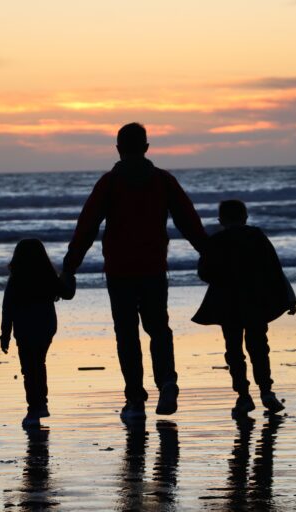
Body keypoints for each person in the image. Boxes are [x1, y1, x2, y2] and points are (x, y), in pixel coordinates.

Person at [63, 122, 207, 421]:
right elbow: (189, 221)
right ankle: (167, 380)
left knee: (126, 334)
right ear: (146, 148)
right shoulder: (163, 181)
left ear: (118, 149)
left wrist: (70, 267)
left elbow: (86, 227)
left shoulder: (109, 183)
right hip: (153, 267)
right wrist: (209, 254)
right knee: (158, 328)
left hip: (119, 270)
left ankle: (135, 399)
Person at [192, 199, 296, 418]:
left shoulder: (217, 240)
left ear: (220, 220)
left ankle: (243, 396)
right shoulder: (257, 236)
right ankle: (266, 392)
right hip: (256, 301)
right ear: (245, 217)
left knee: (234, 351)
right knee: (259, 347)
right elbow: (275, 269)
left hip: (227, 303)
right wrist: (289, 298)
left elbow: (204, 273)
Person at [0, 239, 75, 427]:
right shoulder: (48, 276)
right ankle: (40, 404)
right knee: (38, 363)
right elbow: (67, 294)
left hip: (25, 328)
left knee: (29, 368)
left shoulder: (16, 278)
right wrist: (69, 274)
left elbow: (7, 308)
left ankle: (35, 408)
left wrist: (5, 334)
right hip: (45, 325)